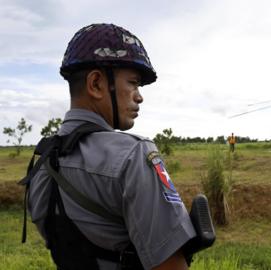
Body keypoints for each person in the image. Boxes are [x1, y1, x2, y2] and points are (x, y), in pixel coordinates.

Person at [22, 24, 196, 270]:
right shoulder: (134, 155)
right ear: (96, 84)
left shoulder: (40, 164)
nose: (139, 96)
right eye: (133, 83)